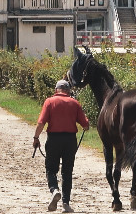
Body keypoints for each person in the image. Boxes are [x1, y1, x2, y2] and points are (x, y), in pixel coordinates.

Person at [34, 79, 90, 212]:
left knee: (51, 169)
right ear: (68, 91)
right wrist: (86, 122)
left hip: (54, 139)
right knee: (67, 171)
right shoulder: (75, 103)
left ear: (56, 90)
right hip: (70, 140)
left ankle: (54, 190)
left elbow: (41, 123)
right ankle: (65, 203)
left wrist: (36, 138)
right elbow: (85, 125)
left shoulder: (49, 101)